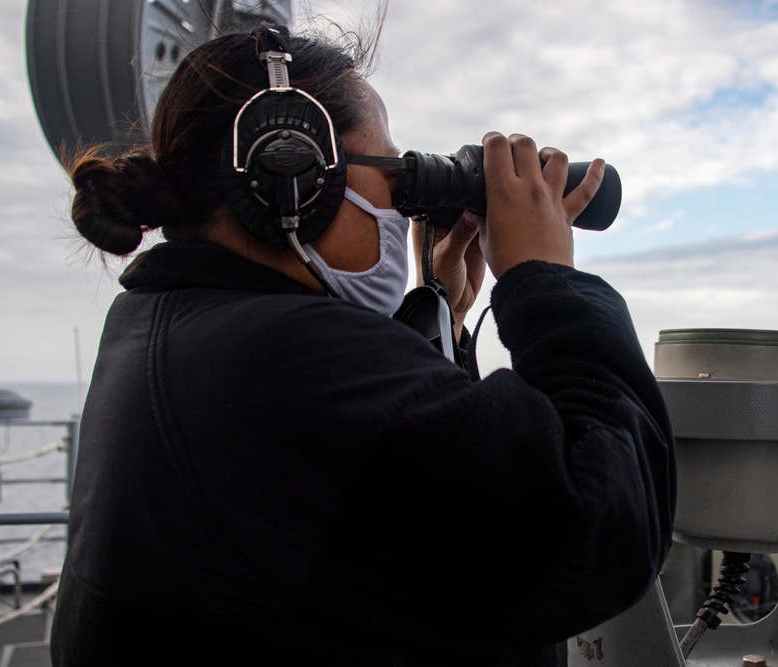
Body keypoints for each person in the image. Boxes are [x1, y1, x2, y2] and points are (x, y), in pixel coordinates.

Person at [50, 21, 675, 667]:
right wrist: (545, 279)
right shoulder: (290, 358)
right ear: (290, 176)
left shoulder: (172, 324)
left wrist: (444, 315)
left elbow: (391, 495)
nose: (403, 207)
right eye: (391, 173)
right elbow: (601, 526)